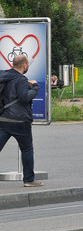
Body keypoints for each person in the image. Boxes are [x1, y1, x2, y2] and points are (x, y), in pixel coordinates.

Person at [0, 53, 43, 187]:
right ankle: (29, 180)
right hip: (20, 121)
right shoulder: (21, 79)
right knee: (27, 149)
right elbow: (24, 97)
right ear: (24, 65)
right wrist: (35, 87)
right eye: (27, 64)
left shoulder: (4, 76)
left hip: (3, 118)